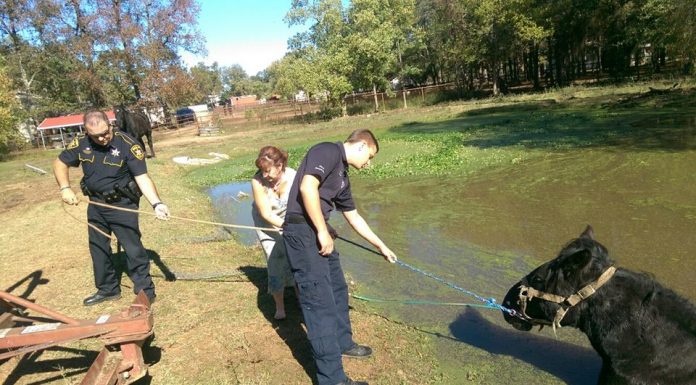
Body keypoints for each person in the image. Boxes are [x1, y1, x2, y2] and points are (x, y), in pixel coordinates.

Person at [282, 129, 397, 385]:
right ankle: (332, 379)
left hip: (320, 232)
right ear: (361, 145)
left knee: (337, 289)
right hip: (302, 233)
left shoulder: (343, 177)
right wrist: (322, 231)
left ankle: (344, 342)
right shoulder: (327, 150)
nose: (369, 163)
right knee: (319, 305)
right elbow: (307, 186)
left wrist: (381, 246)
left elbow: (353, 216)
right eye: (371, 155)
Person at [52, 110, 170, 306]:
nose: (102, 138)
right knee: (98, 247)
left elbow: (142, 178)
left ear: (110, 125)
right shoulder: (82, 143)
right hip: (96, 204)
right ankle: (107, 289)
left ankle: (145, 291)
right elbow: (60, 162)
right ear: (87, 132)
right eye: (96, 136)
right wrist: (65, 188)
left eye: (105, 132)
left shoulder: (129, 145)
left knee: (132, 248)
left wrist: (157, 203)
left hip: (122, 204)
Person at [250, 145, 297, 320]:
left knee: (295, 255)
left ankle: (300, 295)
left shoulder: (294, 177)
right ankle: (279, 306)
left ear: (280, 166)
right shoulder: (257, 181)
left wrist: (296, 226)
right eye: (262, 171)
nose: (264, 175)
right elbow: (266, 213)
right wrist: (286, 227)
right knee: (275, 259)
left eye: (268, 171)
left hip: (289, 219)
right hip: (266, 223)